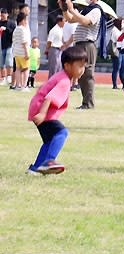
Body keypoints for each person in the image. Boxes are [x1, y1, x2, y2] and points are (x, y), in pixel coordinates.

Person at [26, 46, 87, 175]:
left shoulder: (63, 77)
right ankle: (49, 161)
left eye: (84, 66)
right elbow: (49, 98)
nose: (82, 70)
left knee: (49, 141)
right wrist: (42, 114)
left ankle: (35, 168)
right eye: (80, 66)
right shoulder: (64, 81)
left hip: (37, 108)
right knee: (61, 133)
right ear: (67, 66)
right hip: (42, 111)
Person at [59, 0, 107, 109]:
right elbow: (70, 19)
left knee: (87, 74)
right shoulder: (86, 10)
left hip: (87, 44)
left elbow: (85, 21)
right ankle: (85, 103)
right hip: (80, 44)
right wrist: (65, 9)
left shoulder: (96, 10)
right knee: (80, 74)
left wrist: (72, 9)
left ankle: (89, 104)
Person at [12, 12, 31, 91]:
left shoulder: (16, 29)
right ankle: (24, 86)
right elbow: (24, 42)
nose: (26, 21)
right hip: (23, 52)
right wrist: (27, 53)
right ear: (22, 20)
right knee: (26, 68)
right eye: (26, 20)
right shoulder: (23, 29)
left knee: (18, 69)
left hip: (16, 52)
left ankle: (18, 86)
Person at [0, 8, 16, 86]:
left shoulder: (12, 23)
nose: (2, 17)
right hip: (1, 45)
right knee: (1, 63)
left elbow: (14, 32)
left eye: (3, 15)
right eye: (1, 15)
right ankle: (3, 78)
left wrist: (6, 29)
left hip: (9, 45)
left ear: (7, 14)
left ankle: (9, 77)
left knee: (9, 62)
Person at [109, 18, 124, 89]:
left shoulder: (119, 30)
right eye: (122, 23)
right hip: (117, 51)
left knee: (123, 68)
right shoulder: (115, 30)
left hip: (122, 50)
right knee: (117, 68)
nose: (123, 24)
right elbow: (119, 39)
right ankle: (114, 85)